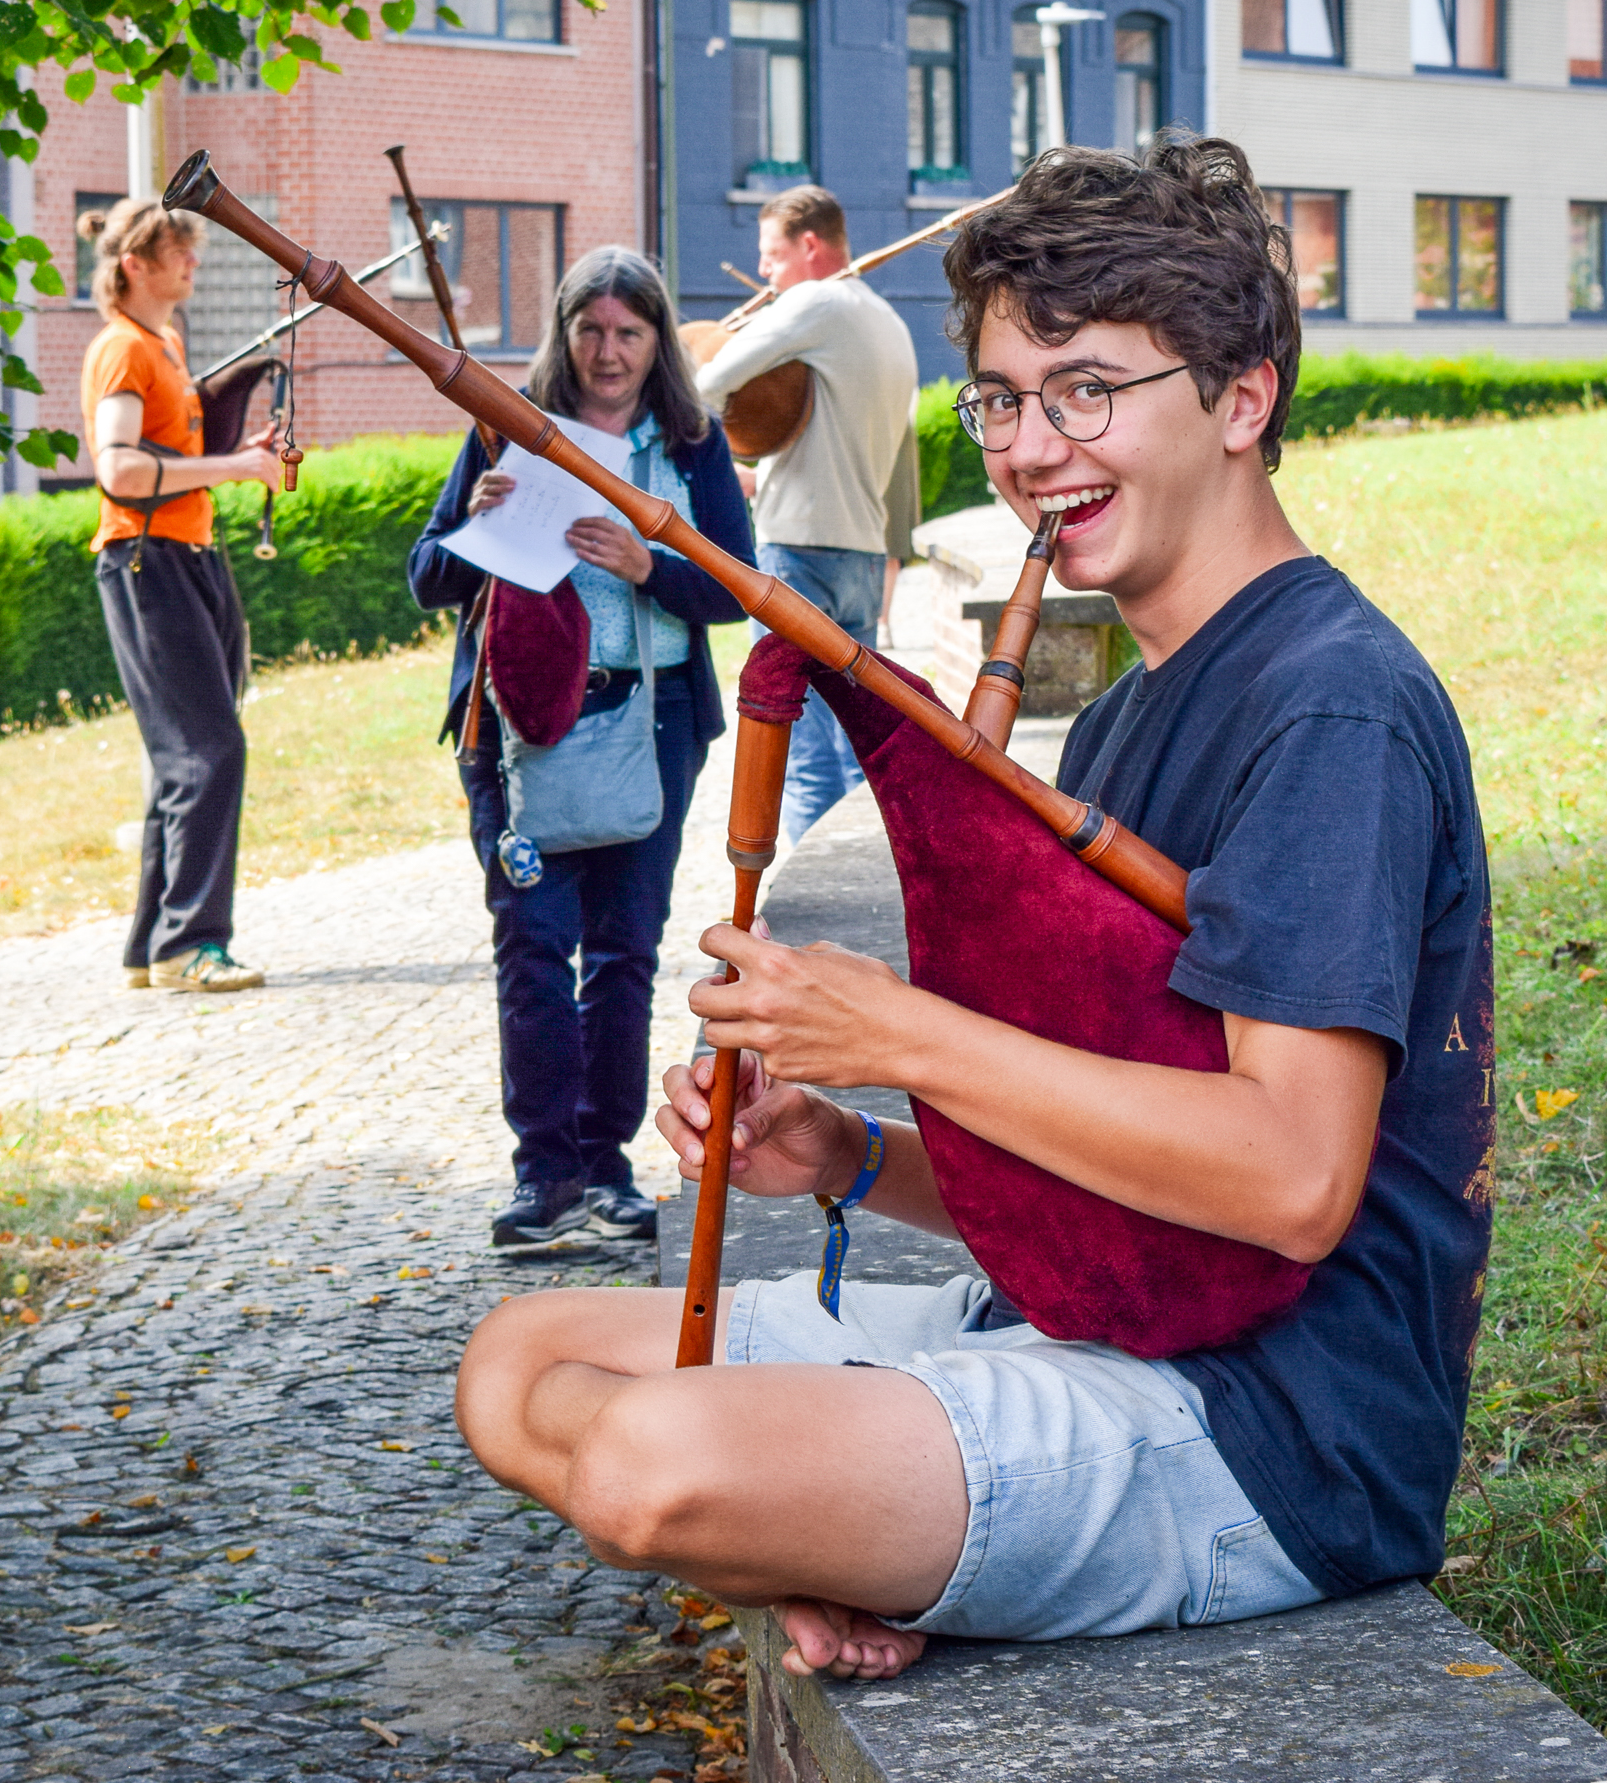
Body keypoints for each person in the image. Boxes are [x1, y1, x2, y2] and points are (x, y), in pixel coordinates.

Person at [453, 139, 1494, 1680]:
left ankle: (859, 1530)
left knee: (649, 1461)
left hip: (1270, 1440)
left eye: (1086, 389)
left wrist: (902, 1034)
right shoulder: (1131, 720)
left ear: (1242, 399)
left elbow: (1285, 1178)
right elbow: (1107, 1168)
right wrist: (852, 1155)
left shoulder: (1327, 709)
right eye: (1001, 400)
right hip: (1102, 1331)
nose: (1026, 448)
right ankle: (852, 1530)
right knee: (512, 1357)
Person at [409, 248, 752, 1252]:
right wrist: (470, 530)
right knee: (530, 944)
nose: (608, 352)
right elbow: (426, 576)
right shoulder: (510, 431)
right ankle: (543, 1175)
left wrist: (653, 564)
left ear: (657, 344)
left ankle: (606, 1167)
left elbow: (736, 589)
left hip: (652, 723)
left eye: (629, 333)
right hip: (516, 727)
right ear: (564, 334)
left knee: (624, 951)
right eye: (590, 330)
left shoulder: (691, 445)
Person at [82, 196, 287, 994]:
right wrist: (234, 469)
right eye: (178, 251)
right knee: (209, 752)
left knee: (187, 757)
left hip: (186, 555)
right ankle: (191, 944)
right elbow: (120, 470)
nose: (192, 262)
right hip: (145, 561)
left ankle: (152, 947)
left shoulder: (164, 344)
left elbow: (165, 457)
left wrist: (237, 451)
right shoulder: (123, 351)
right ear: (135, 264)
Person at [691, 187, 922, 842]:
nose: (764, 271)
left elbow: (708, 381)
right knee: (855, 750)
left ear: (809, 246)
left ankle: (806, 921)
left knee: (800, 753)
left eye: (771, 254)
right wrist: (760, 476)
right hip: (861, 555)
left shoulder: (815, 302)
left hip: (797, 555)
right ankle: (867, 888)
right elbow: (837, 446)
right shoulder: (887, 322)